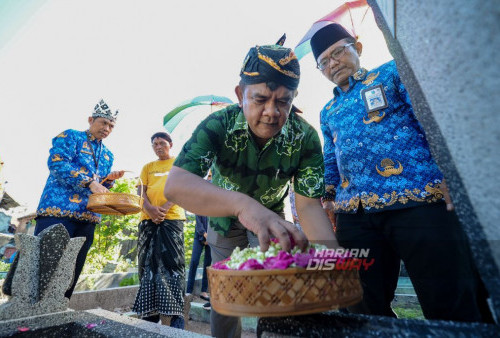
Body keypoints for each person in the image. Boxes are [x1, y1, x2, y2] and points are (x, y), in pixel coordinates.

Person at [311, 23, 492, 322]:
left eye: (338, 52)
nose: (332, 63)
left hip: (418, 198)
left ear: (356, 48)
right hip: (354, 214)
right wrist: (328, 198)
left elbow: (431, 118)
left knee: (448, 297)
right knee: (360, 303)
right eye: (324, 61)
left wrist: (451, 171)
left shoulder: (392, 72)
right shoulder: (327, 110)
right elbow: (330, 157)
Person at [164, 44, 340, 338]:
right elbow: (177, 185)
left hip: (271, 219)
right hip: (221, 218)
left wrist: (332, 260)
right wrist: (243, 206)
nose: (271, 112)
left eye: (283, 102)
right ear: (239, 94)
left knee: (275, 289)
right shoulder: (217, 124)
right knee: (226, 294)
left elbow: (309, 206)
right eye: (260, 99)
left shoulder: (305, 137)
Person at [35, 99, 124, 299]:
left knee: (72, 270)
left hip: (88, 216)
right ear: (90, 119)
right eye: (103, 123)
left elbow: (99, 185)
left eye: (111, 125)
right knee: (44, 268)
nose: (107, 128)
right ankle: (31, 317)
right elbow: (57, 164)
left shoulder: (108, 155)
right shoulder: (70, 136)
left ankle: (59, 312)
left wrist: (108, 181)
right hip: (57, 211)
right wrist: (89, 183)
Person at [132, 132, 186, 329]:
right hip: (147, 220)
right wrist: (150, 210)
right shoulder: (148, 167)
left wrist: (164, 208)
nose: (158, 147)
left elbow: (184, 189)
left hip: (172, 220)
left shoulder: (179, 165)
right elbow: (140, 191)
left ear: (170, 144)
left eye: (162, 143)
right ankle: (150, 316)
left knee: (174, 265)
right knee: (147, 265)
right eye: (154, 144)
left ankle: (176, 318)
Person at [185, 173, 212, 308]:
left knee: (208, 264)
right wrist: (204, 234)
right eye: (208, 177)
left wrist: (210, 236)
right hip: (200, 235)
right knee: (194, 261)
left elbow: (215, 220)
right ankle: (188, 290)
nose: (210, 179)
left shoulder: (216, 201)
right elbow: (198, 220)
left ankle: (204, 291)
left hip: (211, 238)